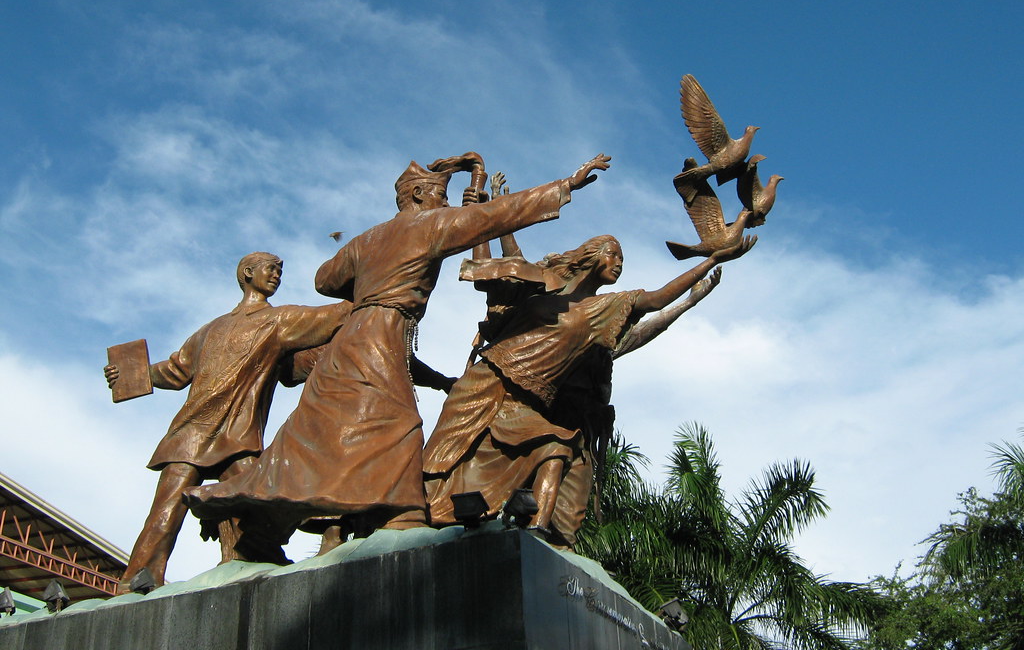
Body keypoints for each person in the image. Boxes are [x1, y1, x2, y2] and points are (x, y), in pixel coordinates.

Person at [185, 152, 612, 554]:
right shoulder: (428, 226)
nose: (444, 203)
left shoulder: (367, 239)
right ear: (420, 195)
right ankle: (402, 515)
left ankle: (262, 519)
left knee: (316, 428)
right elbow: (495, 216)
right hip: (382, 335)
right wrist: (566, 185)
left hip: (350, 336)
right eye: (440, 196)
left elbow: (324, 278)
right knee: (399, 422)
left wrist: (370, 279)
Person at [423, 232, 754, 546]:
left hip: (527, 401)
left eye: (623, 258)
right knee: (441, 463)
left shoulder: (606, 311)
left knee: (555, 447)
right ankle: (418, 515)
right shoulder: (546, 283)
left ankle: (538, 537)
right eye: (613, 253)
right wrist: (493, 213)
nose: (619, 262)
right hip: (485, 382)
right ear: (592, 255)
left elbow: (655, 302)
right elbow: (505, 267)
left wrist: (711, 260)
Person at [103, 252, 351, 591]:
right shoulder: (257, 324)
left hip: (234, 438)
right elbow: (176, 371)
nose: (277, 275)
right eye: (271, 269)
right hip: (196, 432)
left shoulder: (272, 321)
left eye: (280, 271)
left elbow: (333, 319)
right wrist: (131, 374)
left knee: (261, 502)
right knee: (166, 514)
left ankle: (256, 561)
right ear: (248, 273)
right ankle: (134, 582)